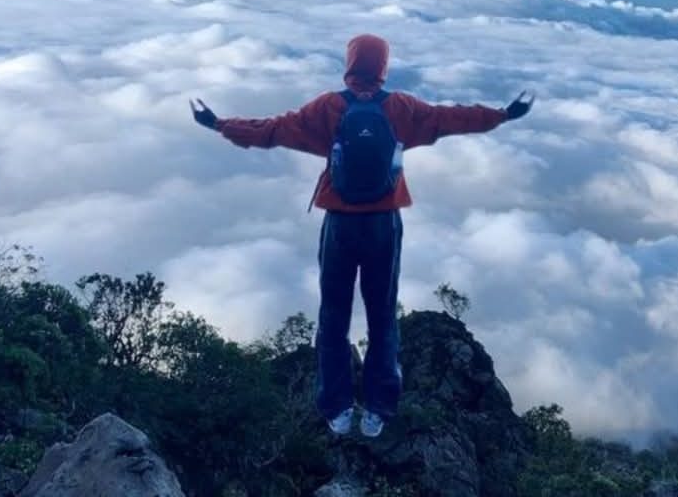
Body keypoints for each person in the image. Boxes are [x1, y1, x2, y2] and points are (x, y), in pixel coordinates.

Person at [192, 34, 534, 438]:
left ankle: (337, 409)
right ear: (383, 66)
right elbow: (451, 117)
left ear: (350, 63)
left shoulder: (328, 108)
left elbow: (272, 130)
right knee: (382, 314)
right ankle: (377, 411)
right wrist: (503, 114)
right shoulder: (403, 108)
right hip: (383, 224)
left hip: (339, 222)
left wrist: (219, 124)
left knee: (333, 315)